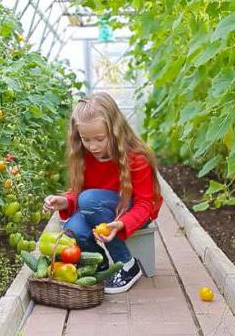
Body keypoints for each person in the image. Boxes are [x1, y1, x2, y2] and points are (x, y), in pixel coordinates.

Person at [43, 92, 163, 294]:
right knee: (73, 227)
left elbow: (146, 205)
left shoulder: (137, 158)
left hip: (134, 213)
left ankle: (127, 265)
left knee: (89, 200)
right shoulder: (84, 157)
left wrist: (122, 223)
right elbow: (79, 193)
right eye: (86, 139)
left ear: (115, 131)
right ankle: (100, 266)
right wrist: (65, 201)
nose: (93, 146)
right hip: (100, 207)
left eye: (99, 139)